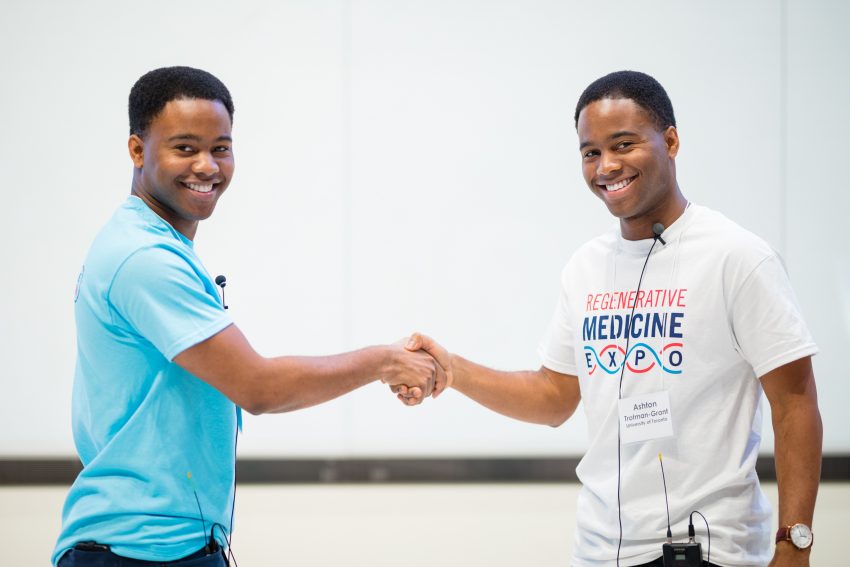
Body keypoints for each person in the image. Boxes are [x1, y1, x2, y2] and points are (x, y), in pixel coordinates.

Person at [401, 71, 822, 567]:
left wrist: (794, 546)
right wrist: (452, 371)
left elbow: (794, 405)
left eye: (623, 144)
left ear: (670, 140)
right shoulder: (586, 267)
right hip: (600, 552)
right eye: (590, 152)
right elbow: (554, 397)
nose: (607, 166)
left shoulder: (738, 257)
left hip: (710, 549)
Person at [53, 66, 445, 567]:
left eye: (220, 147)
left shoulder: (153, 244)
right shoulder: (144, 259)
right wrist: (384, 362)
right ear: (137, 151)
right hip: (138, 551)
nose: (206, 166)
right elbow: (258, 388)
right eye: (184, 147)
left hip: (169, 543)